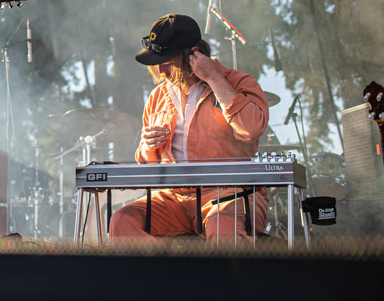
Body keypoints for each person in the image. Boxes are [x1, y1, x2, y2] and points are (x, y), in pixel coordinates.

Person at [108, 14, 269, 244]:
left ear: (193, 54)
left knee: (223, 227)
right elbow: (148, 165)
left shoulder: (239, 82)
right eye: (157, 62)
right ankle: (172, 278)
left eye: (167, 61)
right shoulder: (156, 97)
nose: (161, 71)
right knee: (122, 221)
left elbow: (251, 129)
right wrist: (147, 146)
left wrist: (213, 77)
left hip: (229, 192)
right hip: (172, 197)